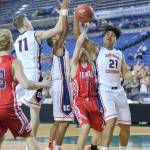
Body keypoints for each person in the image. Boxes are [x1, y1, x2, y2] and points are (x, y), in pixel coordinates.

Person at [73, 15, 142, 150]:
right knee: (111, 121)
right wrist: (76, 17)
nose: (109, 36)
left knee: (126, 126)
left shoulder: (120, 54)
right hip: (105, 91)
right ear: (104, 38)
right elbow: (78, 37)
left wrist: (134, 73)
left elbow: (126, 74)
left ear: (116, 39)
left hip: (120, 92)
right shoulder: (97, 50)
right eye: (107, 34)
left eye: (113, 35)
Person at [13, 0, 70, 139]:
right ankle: (30, 145)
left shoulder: (16, 42)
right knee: (35, 114)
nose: (31, 23)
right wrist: (63, 11)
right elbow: (58, 30)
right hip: (33, 74)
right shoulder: (34, 34)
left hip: (21, 76)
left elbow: (27, 57)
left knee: (18, 108)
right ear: (26, 23)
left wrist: (45, 58)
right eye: (29, 21)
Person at [0, 29, 51, 150]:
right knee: (29, 135)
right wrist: (43, 84)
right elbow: (27, 85)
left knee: (1, 137)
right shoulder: (14, 61)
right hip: (8, 107)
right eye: (12, 38)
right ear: (9, 43)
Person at [46, 1, 74, 150]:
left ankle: (50, 145)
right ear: (54, 41)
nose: (58, 35)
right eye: (56, 36)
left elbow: (63, 31)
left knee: (59, 120)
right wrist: (64, 11)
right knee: (64, 121)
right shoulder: (57, 48)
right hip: (62, 85)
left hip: (61, 84)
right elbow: (64, 30)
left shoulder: (59, 50)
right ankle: (56, 148)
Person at [71, 25, 104, 150]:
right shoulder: (74, 65)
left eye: (84, 51)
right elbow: (79, 44)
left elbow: (86, 47)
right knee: (85, 127)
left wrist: (85, 40)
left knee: (101, 131)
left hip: (93, 101)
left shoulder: (91, 64)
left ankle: (93, 148)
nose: (82, 51)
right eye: (80, 51)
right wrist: (83, 31)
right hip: (79, 101)